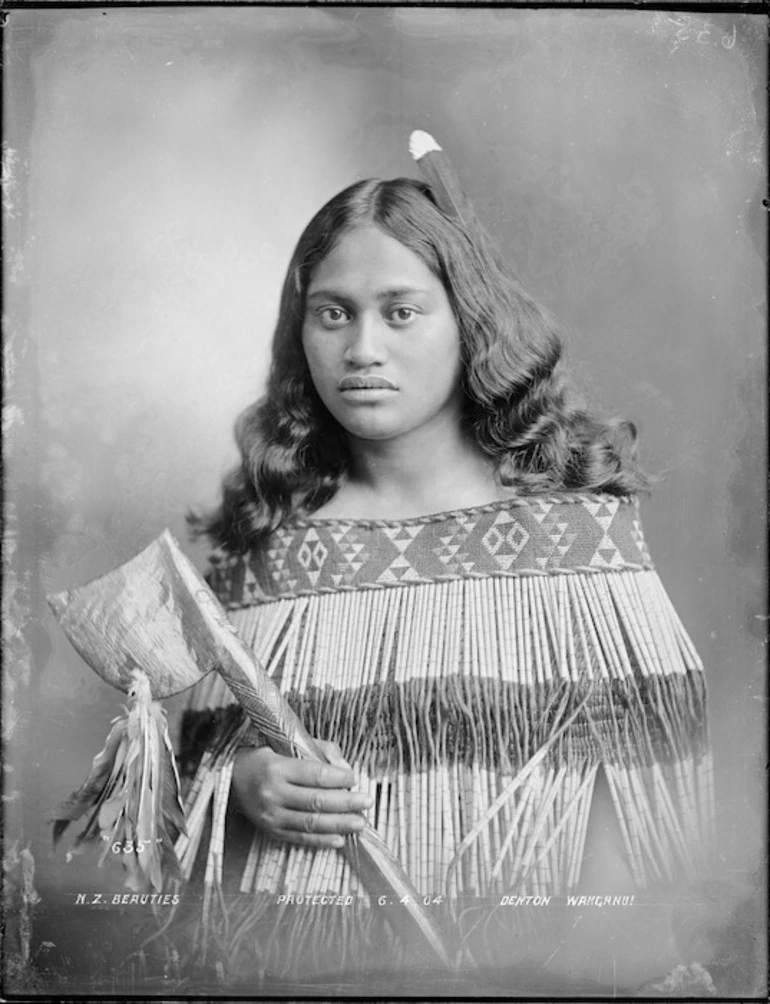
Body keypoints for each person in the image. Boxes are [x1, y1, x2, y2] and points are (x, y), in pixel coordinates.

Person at [173, 135, 714, 993]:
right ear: (300, 331)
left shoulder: (575, 540)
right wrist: (242, 789)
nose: (361, 350)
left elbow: (643, 810)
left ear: (468, 321)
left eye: (400, 311)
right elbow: (183, 789)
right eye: (333, 312)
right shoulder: (267, 549)